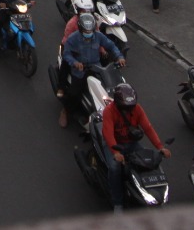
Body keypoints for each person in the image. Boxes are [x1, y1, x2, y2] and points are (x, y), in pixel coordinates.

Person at [102, 84, 171, 214]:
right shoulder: (109, 112)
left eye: (130, 107)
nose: (129, 110)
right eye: (125, 108)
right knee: (115, 168)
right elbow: (108, 134)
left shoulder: (137, 109)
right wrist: (115, 152)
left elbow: (148, 128)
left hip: (132, 144)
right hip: (114, 145)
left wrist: (160, 147)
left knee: (146, 163)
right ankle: (118, 203)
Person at [60, 12, 125, 128]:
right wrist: (75, 63)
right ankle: (65, 111)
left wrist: (119, 57)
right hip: (80, 69)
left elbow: (111, 46)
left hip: (96, 67)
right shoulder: (73, 38)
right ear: (80, 29)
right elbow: (67, 54)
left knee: (109, 88)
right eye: (86, 32)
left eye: (90, 32)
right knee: (74, 93)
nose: (89, 34)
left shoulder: (99, 36)